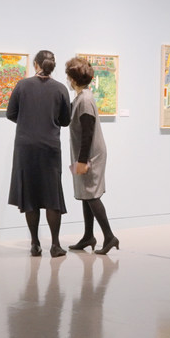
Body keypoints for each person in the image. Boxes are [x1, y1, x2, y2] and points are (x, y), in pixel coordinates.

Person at [7, 50, 72, 258]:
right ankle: (55, 245)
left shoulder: (22, 86)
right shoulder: (61, 89)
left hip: (25, 147)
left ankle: (35, 244)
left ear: (35, 64)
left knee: (30, 195)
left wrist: (27, 122)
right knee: (52, 195)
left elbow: (11, 113)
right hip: (50, 147)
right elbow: (65, 120)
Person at [64, 56, 119, 255]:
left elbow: (87, 133)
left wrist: (82, 161)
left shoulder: (85, 100)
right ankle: (88, 236)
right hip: (85, 153)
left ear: (73, 78)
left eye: (68, 76)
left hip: (90, 155)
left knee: (92, 195)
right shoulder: (81, 97)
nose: (68, 80)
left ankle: (109, 236)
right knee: (86, 195)